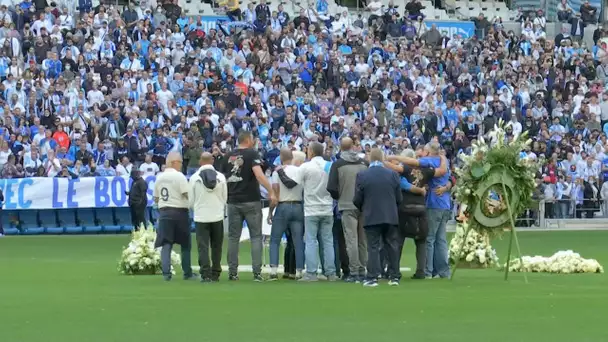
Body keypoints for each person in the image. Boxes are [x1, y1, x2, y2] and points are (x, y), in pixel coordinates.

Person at [220, 131, 276, 282]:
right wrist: (271, 191)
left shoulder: (227, 156)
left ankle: (232, 272)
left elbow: (223, 179)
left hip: (233, 201)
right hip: (251, 200)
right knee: (256, 237)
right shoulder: (252, 154)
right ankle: (257, 273)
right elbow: (258, 174)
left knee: (233, 237)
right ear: (248, 139)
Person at [278, 142, 338, 281]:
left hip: (311, 209)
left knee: (311, 241)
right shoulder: (330, 166)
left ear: (310, 152)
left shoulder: (306, 166)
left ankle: (311, 273)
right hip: (327, 208)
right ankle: (330, 272)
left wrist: (280, 171)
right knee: (328, 241)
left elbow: (291, 183)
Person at [386, 149, 448, 279]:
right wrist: (443, 159)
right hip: (421, 207)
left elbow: (394, 171)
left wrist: (381, 159)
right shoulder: (426, 170)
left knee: (399, 239)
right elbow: (442, 171)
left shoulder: (404, 169)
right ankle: (421, 271)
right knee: (421, 240)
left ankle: (394, 270)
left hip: (404, 207)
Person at [353, 148, 402, 287]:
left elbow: (357, 199)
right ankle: (394, 276)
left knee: (373, 247)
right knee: (392, 246)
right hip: (390, 215)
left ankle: (372, 277)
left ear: (370, 158)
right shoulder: (393, 175)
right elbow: (399, 198)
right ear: (382, 158)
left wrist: (364, 208)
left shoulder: (363, 175)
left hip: (371, 215)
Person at [327, 137, 368, 283]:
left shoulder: (338, 164)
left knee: (351, 239)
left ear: (341, 147)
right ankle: (363, 269)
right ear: (353, 146)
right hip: (363, 205)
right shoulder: (364, 163)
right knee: (362, 240)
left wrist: (340, 196)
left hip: (346, 204)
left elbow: (331, 187)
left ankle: (354, 271)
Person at [153, 151, 193, 281]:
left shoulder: (159, 177)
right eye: (180, 162)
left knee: (166, 243)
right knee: (185, 244)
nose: (181, 165)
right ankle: (187, 273)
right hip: (180, 212)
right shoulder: (179, 176)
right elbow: (186, 194)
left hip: (164, 212)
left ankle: (166, 274)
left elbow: (156, 197)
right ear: (174, 162)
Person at [267, 148, 304, 281]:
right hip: (298, 204)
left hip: (283, 205)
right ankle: (299, 271)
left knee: (275, 240)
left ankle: (273, 270)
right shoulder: (300, 171)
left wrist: (270, 212)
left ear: (281, 158)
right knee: (298, 240)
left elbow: (275, 194)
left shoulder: (277, 172)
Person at [189, 152, 227, 283]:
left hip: (201, 217)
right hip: (217, 215)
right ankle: (216, 272)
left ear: (200, 161)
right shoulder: (221, 177)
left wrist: (197, 209)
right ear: (212, 161)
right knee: (217, 245)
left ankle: (205, 274)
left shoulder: (194, 178)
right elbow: (225, 197)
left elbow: (191, 201)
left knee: (203, 246)